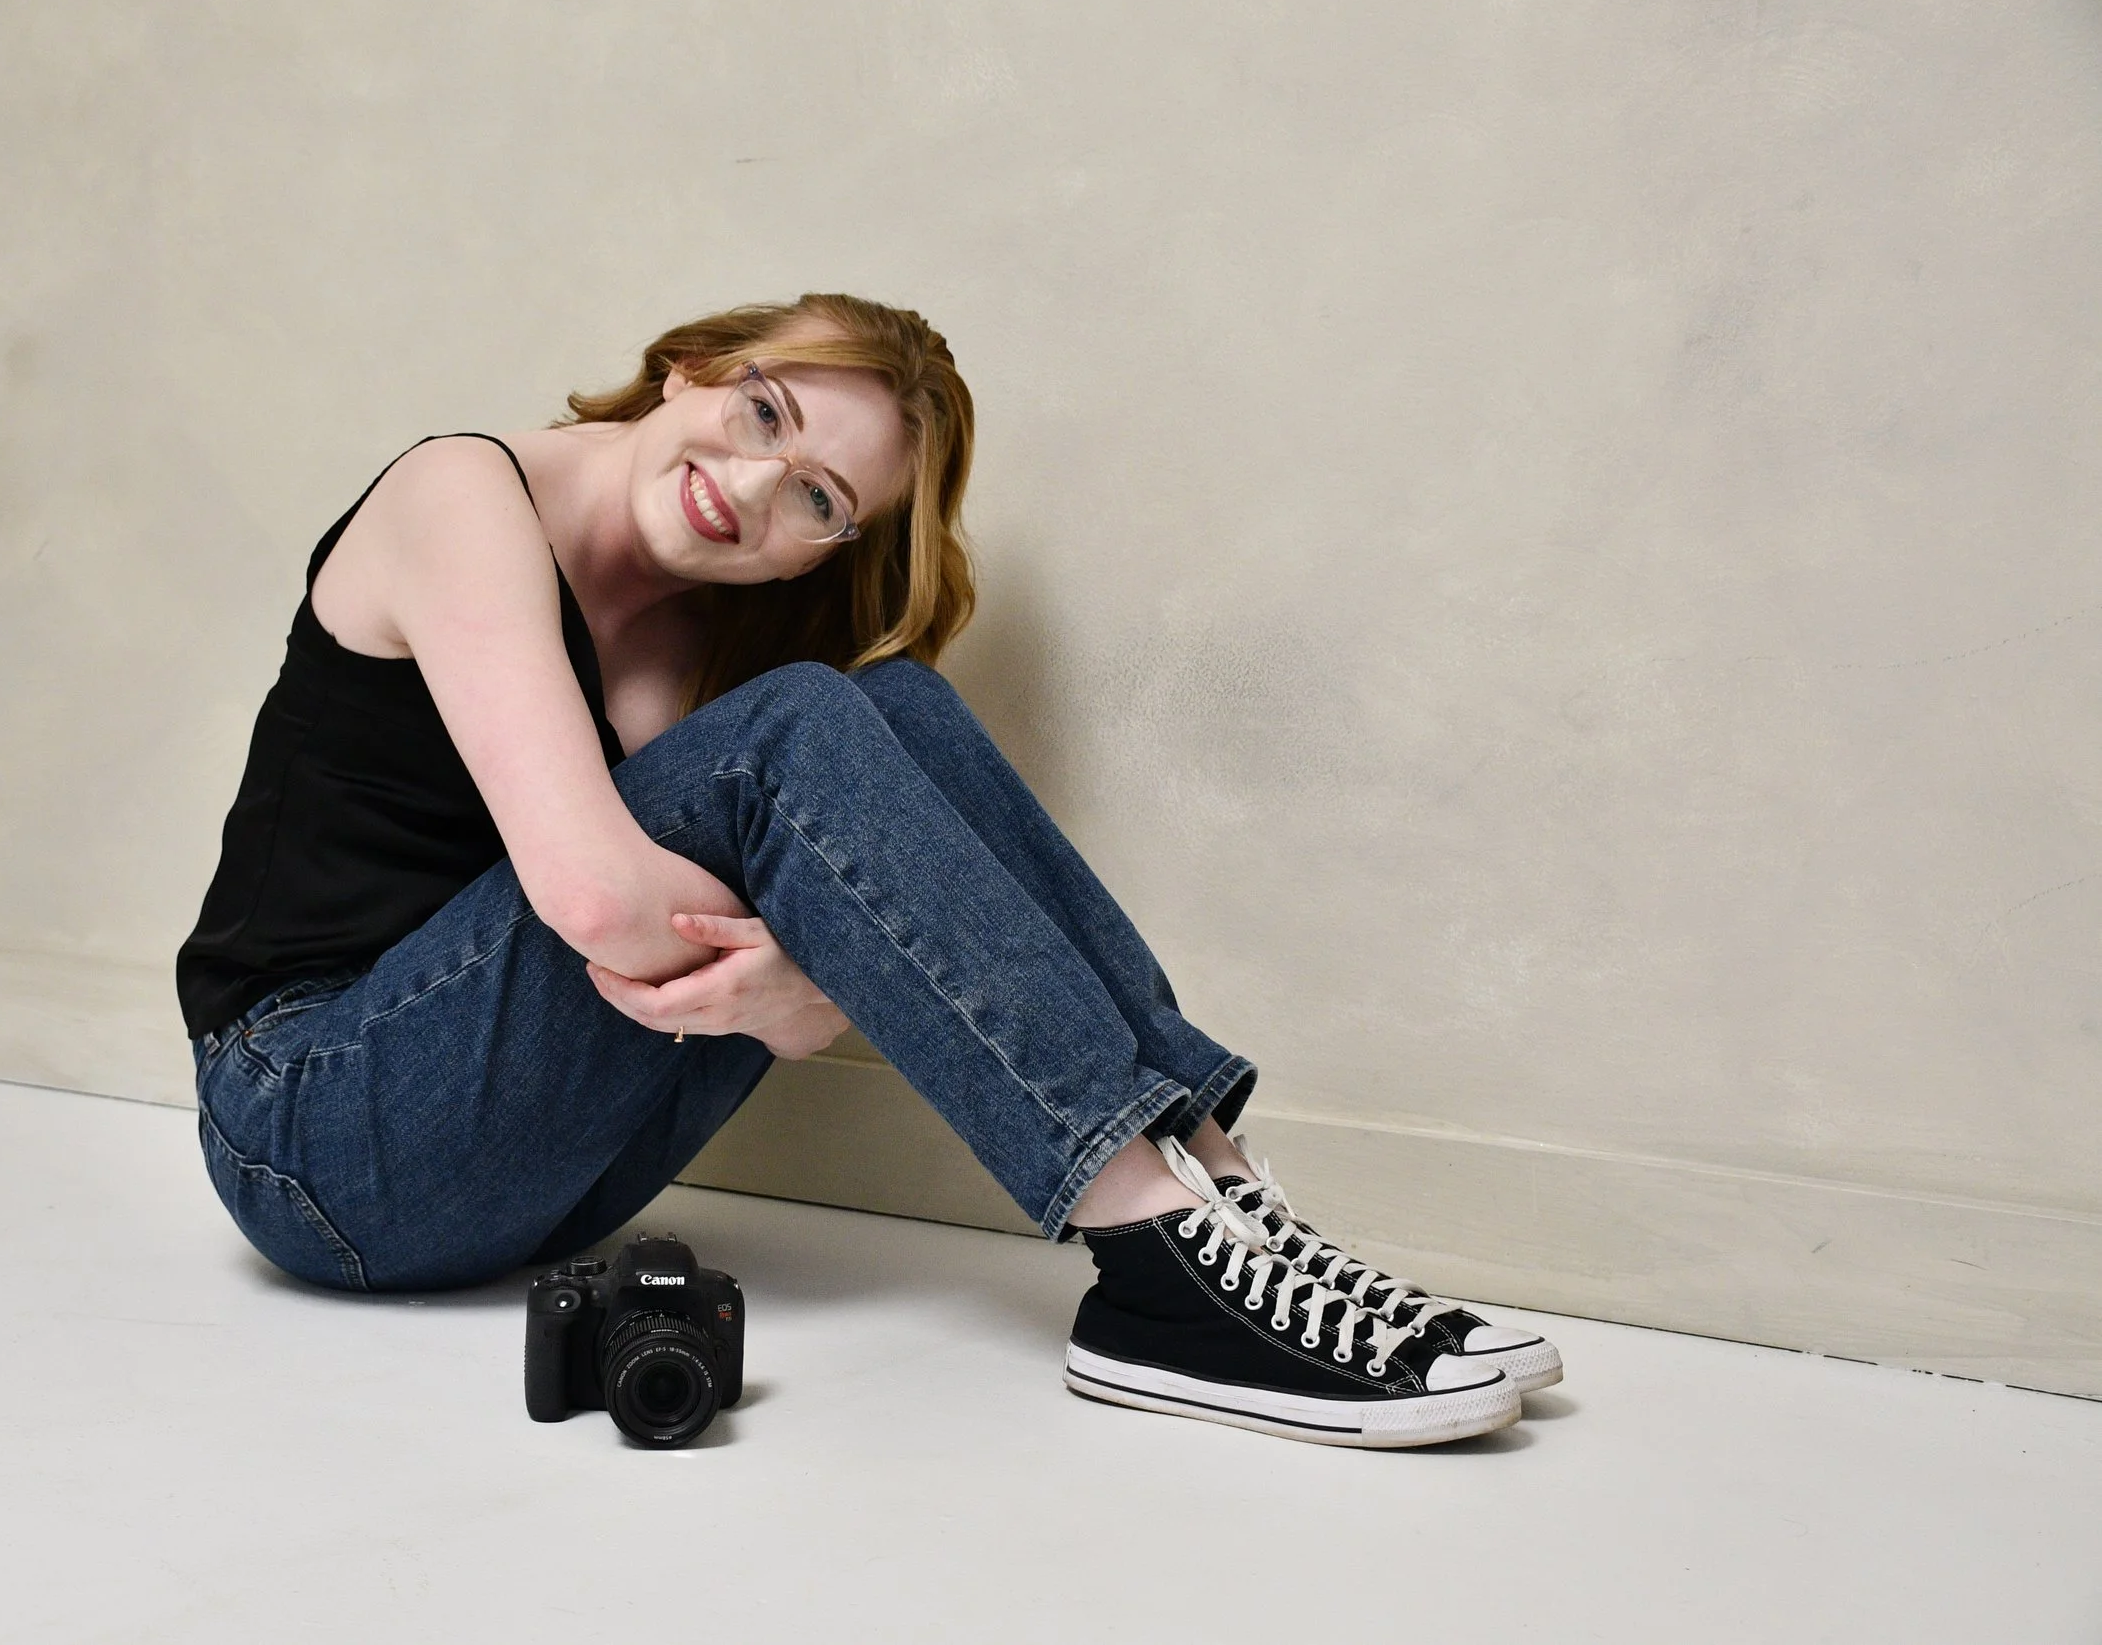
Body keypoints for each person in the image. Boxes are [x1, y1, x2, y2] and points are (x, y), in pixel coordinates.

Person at [177, 293, 1560, 1448]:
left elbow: (696, 939)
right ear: (694, 365)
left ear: (821, 546)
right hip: (306, 1128)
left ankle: (1219, 1187)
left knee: (887, 705)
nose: (757, 484)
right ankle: (1151, 1258)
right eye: (764, 413)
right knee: (798, 730)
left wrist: (805, 983)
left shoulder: (682, 646)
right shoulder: (460, 493)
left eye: (818, 499)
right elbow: (597, 903)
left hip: (529, 1180)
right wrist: (800, 995)